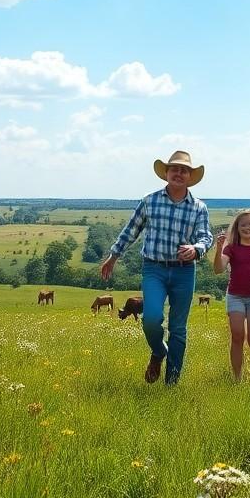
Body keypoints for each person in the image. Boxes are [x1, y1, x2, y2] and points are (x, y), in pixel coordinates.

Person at [101, 150, 213, 385]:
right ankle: (159, 352)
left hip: (184, 271)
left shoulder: (199, 207)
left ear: (190, 176)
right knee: (151, 318)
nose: (179, 173)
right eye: (174, 169)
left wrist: (196, 248)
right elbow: (131, 230)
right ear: (166, 174)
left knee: (178, 328)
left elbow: (205, 237)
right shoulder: (150, 201)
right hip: (154, 269)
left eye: (184, 170)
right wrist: (113, 256)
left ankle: (171, 383)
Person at [213, 210, 250, 380]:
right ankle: (237, 378)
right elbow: (218, 269)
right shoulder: (231, 248)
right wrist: (219, 249)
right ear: (237, 228)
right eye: (244, 225)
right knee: (237, 335)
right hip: (235, 296)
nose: (248, 227)